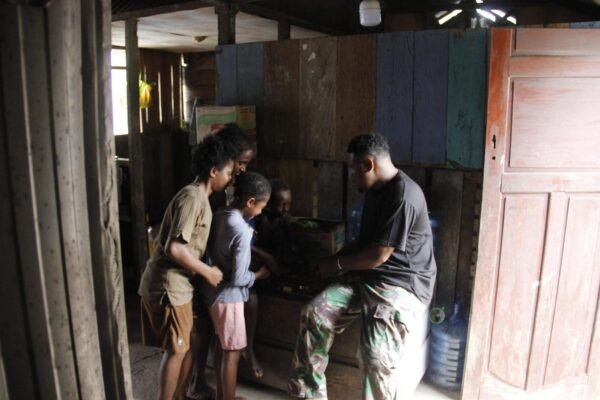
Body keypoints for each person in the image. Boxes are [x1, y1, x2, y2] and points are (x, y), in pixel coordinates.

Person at [288, 133, 437, 400]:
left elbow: (379, 254)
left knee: (375, 357)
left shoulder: (404, 195)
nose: (353, 175)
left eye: (354, 169)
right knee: (314, 315)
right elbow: (364, 243)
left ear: (369, 164)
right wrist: (330, 263)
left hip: (402, 284)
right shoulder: (376, 191)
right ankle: (309, 395)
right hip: (369, 275)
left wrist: (337, 264)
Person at [137, 133, 235, 400]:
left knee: (184, 345)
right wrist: (208, 272)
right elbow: (175, 248)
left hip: (179, 286)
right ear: (213, 171)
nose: (230, 179)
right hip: (170, 286)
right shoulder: (192, 198)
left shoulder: (200, 198)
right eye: (228, 172)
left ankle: (179, 395)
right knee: (176, 350)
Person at [200, 171, 273, 400]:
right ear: (250, 202)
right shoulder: (241, 230)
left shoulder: (221, 213)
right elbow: (239, 278)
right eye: (261, 206)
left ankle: (224, 396)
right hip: (228, 298)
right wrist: (259, 275)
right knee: (232, 354)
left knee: (223, 348)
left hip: (211, 292)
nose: (261, 212)